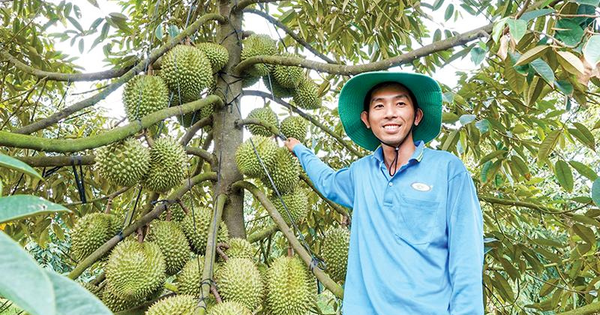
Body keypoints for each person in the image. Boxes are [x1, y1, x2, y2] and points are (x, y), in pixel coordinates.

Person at [284, 71, 484, 314]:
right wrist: (300, 150)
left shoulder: (448, 170)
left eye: (400, 103)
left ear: (417, 116)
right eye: (380, 106)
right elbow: (326, 181)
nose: (390, 112)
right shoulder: (361, 173)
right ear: (367, 120)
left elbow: (466, 257)